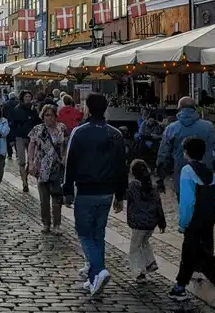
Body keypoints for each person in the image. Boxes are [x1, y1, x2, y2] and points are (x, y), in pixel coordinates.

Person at [63, 92, 128, 297]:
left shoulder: (80, 132)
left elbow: (70, 162)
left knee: (84, 232)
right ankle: (93, 280)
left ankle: (99, 270)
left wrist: (67, 190)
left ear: (88, 108)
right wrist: (120, 194)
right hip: (107, 192)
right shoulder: (115, 134)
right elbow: (121, 166)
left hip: (86, 190)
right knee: (98, 233)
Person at [168, 137, 215, 306]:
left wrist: (183, 223)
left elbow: (187, 202)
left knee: (197, 256)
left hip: (194, 221)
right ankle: (179, 287)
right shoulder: (210, 173)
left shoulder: (187, 171)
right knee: (196, 255)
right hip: (208, 220)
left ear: (186, 152)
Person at [156, 96, 215, 197]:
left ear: (179, 109)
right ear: (195, 108)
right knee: (206, 209)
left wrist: (161, 177)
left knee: (186, 209)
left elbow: (163, 155)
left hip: (182, 177)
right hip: (206, 177)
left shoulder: (171, 129)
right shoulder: (208, 127)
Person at [28, 104, 66, 234]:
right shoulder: (37, 129)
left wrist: (64, 158)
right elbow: (31, 146)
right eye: (45, 115)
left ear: (56, 116)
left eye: (50, 115)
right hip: (42, 167)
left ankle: (57, 225)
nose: (48, 118)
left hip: (56, 167)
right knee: (44, 199)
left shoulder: (61, 128)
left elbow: (64, 146)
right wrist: (31, 163)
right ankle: (46, 224)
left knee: (57, 197)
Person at [126, 159, 166, 283]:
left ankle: (139, 272)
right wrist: (161, 221)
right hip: (150, 223)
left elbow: (125, 196)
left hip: (138, 223)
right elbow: (159, 205)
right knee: (144, 242)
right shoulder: (152, 187)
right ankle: (150, 262)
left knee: (135, 247)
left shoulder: (133, 186)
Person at [12, 90, 40, 192]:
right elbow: (13, 124)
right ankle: (24, 182)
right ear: (22, 98)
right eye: (26, 96)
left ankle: (26, 175)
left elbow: (37, 122)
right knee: (22, 161)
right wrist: (12, 139)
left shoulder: (33, 110)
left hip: (31, 137)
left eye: (29, 96)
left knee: (31, 160)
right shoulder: (17, 109)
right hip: (20, 137)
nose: (28, 98)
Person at [2, 91, 19, 160]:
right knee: (16, 139)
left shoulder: (5, 104)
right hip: (16, 123)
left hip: (8, 123)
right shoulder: (18, 103)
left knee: (8, 139)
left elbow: (3, 114)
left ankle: (9, 154)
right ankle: (18, 153)